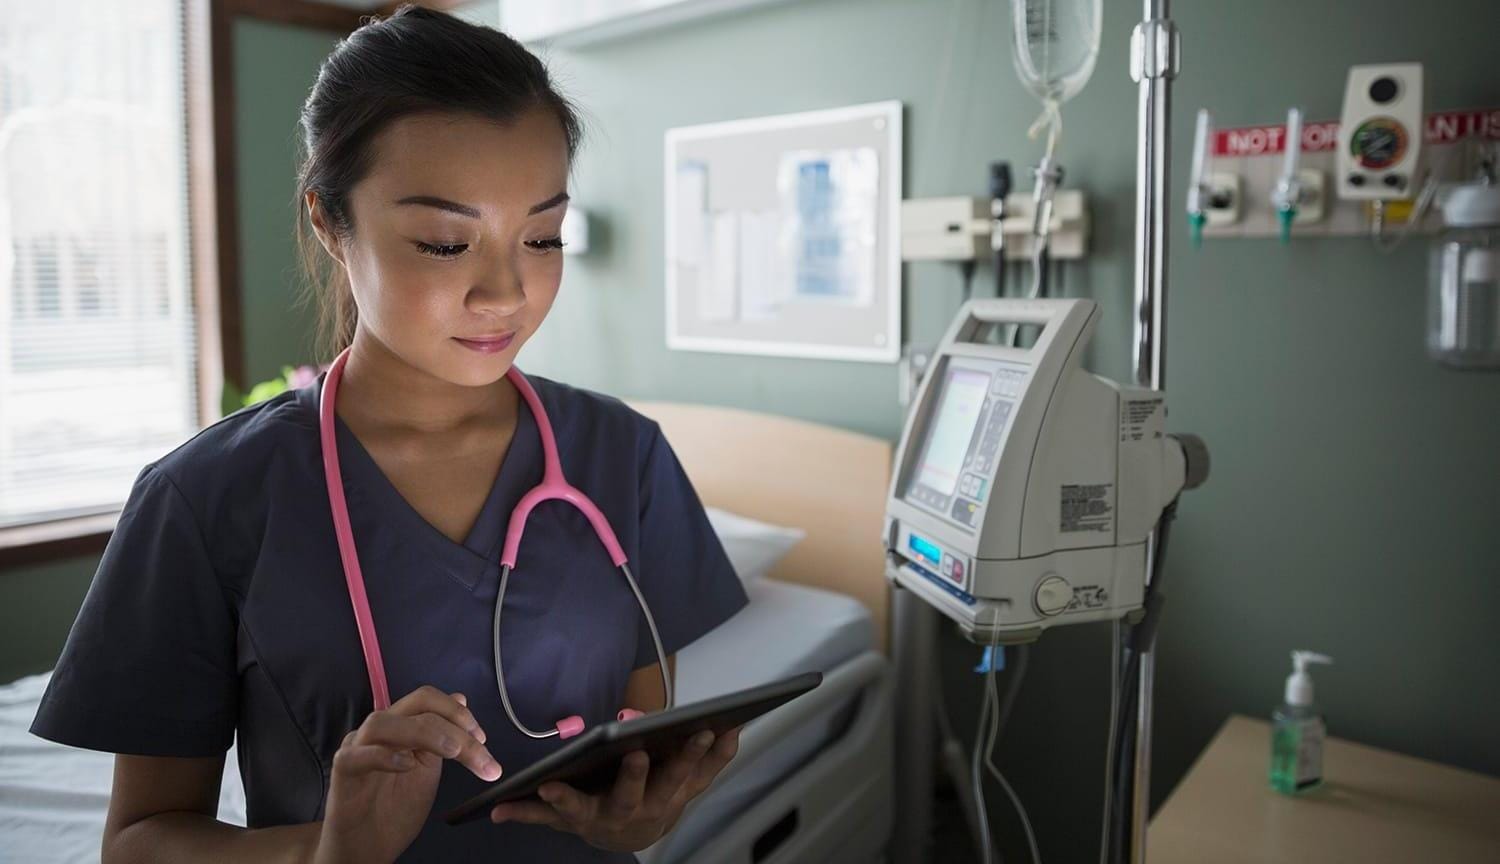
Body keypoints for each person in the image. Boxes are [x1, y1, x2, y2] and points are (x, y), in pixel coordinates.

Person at [30, 6, 750, 862]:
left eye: (543, 235)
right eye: (446, 244)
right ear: (330, 224)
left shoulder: (622, 456)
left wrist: (646, 814)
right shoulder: (205, 497)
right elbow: (139, 844)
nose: (505, 292)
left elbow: (641, 738)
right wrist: (328, 850)